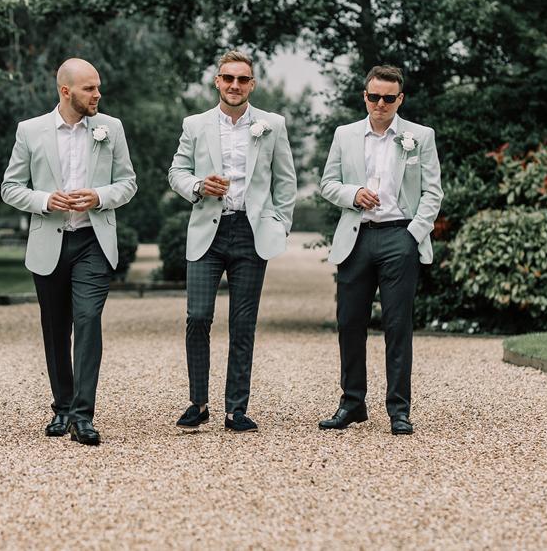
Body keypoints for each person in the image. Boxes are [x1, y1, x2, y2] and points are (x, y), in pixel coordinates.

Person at [0, 58, 137, 446]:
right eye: (89, 88)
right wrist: (46, 200)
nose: (98, 94)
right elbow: (11, 188)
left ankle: (83, 415)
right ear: (66, 91)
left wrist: (99, 196)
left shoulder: (111, 129)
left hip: (93, 241)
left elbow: (128, 183)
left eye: (98, 87)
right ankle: (61, 407)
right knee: (56, 327)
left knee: (88, 320)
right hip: (50, 241)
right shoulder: (30, 131)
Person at [167, 50, 297, 432]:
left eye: (242, 79)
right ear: (217, 82)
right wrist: (197, 185)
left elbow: (285, 181)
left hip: (251, 232)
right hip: (208, 228)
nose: (234, 85)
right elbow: (176, 171)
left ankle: (235, 409)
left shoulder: (273, 124)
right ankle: (199, 402)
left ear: (252, 84)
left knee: (243, 323)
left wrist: (279, 224)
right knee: (197, 317)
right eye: (228, 78)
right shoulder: (195, 124)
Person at [318, 65, 443, 436]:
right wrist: (352, 194)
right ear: (365, 96)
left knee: (397, 325)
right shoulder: (345, 134)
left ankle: (399, 410)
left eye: (389, 98)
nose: (381, 104)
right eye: (374, 97)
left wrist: (413, 233)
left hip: (398, 237)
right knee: (349, 322)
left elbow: (433, 192)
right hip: (356, 236)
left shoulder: (420, 136)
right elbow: (327, 184)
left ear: (400, 99)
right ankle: (352, 403)